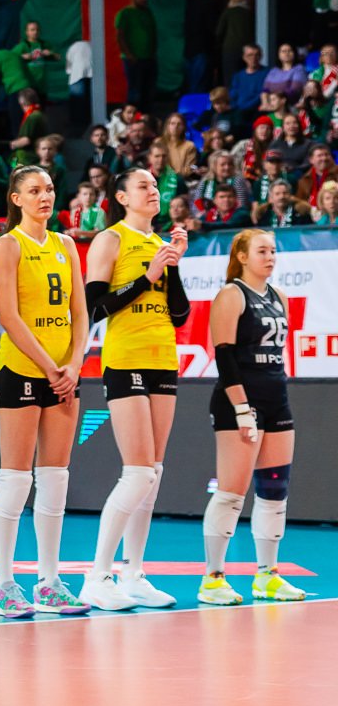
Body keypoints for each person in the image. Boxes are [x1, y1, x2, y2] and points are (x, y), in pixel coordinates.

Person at [83, 169, 188, 612]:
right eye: (143, 185)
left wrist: (172, 266)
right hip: (125, 358)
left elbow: (179, 315)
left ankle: (134, 573)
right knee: (139, 471)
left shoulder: (161, 244)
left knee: (154, 472)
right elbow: (94, 307)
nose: (153, 191)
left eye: (155, 185)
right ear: (122, 197)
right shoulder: (111, 239)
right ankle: (97, 577)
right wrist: (147, 276)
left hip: (163, 358)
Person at [0, 165, 90, 620]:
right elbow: (9, 316)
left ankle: (49, 582)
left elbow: (80, 313)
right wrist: (51, 368)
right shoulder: (8, 245)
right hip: (23, 371)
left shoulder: (65, 244)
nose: (44, 196)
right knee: (16, 478)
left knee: (55, 477)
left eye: (48, 188)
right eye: (33, 190)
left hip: (64, 374)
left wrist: (74, 364)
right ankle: (4, 585)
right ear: (16, 198)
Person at [200, 230, 304, 606]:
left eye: (273, 250)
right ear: (242, 256)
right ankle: (212, 579)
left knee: (274, 491)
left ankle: (267, 576)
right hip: (239, 403)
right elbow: (224, 356)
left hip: (276, 401)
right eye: (262, 251)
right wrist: (243, 409)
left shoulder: (279, 297)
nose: (270, 256)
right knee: (231, 493)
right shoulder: (232, 294)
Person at [115, 0, 157, 108]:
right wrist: (129, 55)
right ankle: (132, 115)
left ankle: (146, 115)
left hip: (149, 58)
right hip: (133, 59)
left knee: (147, 89)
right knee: (134, 90)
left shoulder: (148, 12)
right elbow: (120, 36)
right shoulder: (125, 13)